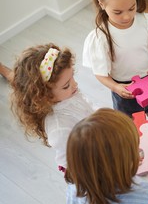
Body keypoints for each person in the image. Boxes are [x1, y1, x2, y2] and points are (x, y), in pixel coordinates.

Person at [65, 108, 148, 204]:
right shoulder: (141, 198)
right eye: (134, 150)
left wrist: (125, 164)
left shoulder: (73, 191)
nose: (138, 154)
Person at [9, 43, 95, 172]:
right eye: (66, 85)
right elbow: (83, 164)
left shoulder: (67, 94)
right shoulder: (59, 131)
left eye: (73, 77)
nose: (75, 84)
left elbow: (86, 107)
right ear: (43, 96)